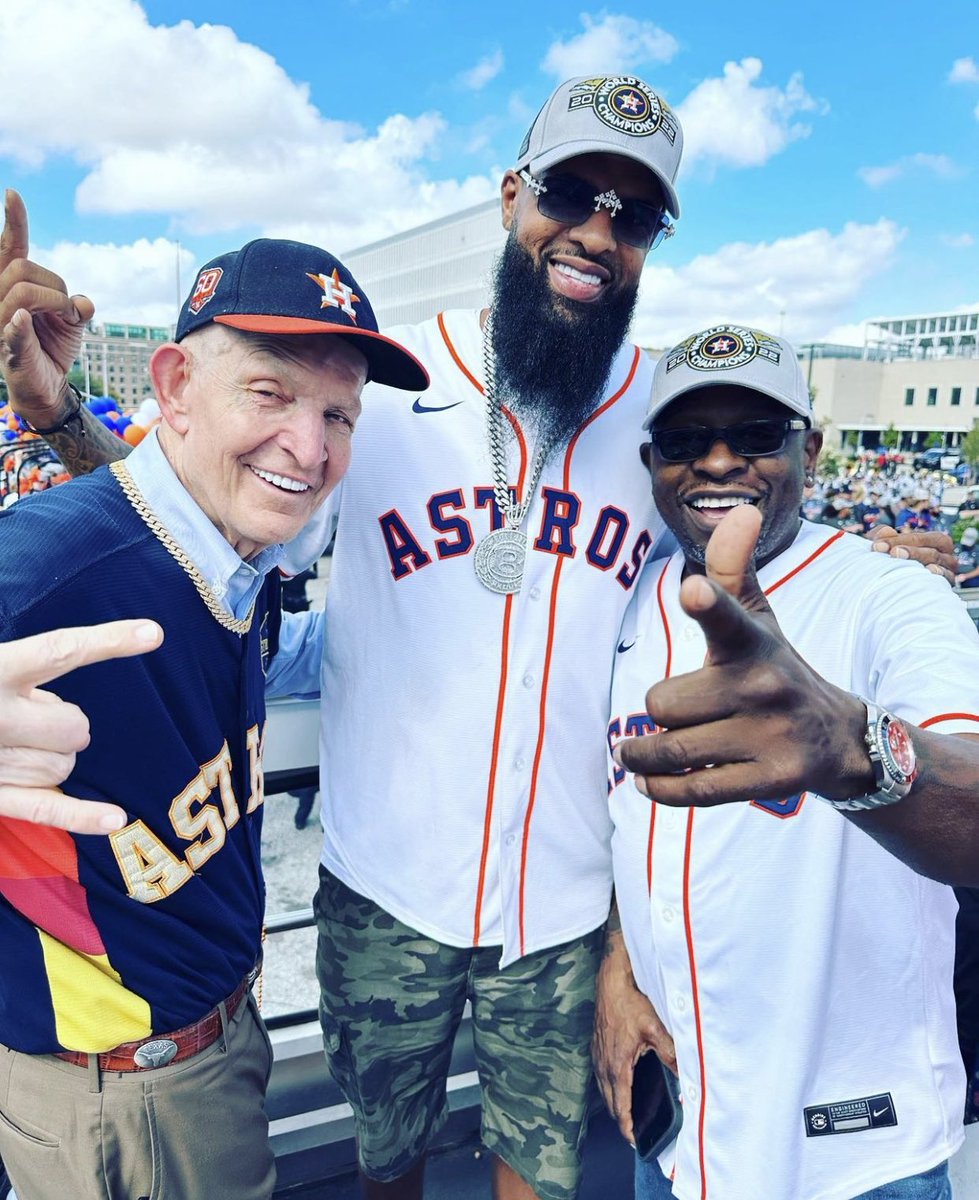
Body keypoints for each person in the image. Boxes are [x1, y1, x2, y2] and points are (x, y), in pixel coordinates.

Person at [0, 76, 959, 1199]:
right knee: (384, 1164)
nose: (596, 232)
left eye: (634, 214)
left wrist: (858, 550)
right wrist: (60, 418)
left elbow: (748, 486)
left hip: (561, 909)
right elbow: (197, 512)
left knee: (538, 1177)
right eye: (570, 192)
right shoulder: (370, 387)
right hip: (380, 884)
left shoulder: (660, 419)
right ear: (513, 196)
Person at [0, 228, 426, 1200]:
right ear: (176, 385)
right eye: (270, 393)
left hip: (209, 1050)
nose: (311, 449)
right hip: (119, 1100)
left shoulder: (230, 558)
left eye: (337, 414)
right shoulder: (46, 568)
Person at [598, 324, 979, 1200]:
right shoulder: (627, 603)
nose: (720, 463)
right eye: (688, 442)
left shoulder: (890, 591)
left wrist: (847, 748)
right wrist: (616, 969)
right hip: (675, 1131)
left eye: (757, 437)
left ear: (808, 448)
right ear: (653, 462)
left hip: (853, 1151)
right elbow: (625, 817)